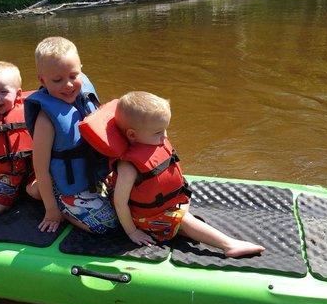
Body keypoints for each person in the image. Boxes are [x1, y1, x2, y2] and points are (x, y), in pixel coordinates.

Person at [81, 91, 265, 257]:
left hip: (161, 207)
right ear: (132, 135)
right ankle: (229, 245)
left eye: (165, 129)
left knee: (185, 220)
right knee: (183, 219)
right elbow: (120, 203)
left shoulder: (151, 141)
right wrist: (131, 232)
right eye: (158, 132)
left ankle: (189, 229)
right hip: (143, 219)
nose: (165, 137)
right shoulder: (129, 166)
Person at [24, 36, 118, 234]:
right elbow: (41, 169)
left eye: (73, 76)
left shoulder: (84, 97)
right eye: (57, 80)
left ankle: (35, 190)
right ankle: (59, 203)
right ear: (42, 80)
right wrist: (51, 211)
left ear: (81, 69)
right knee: (107, 225)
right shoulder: (46, 120)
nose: (68, 85)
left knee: (131, 201)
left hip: (90, 175)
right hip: (68, 186)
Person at [0, 61, 40, 214]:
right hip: (7, 177)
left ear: (18, 94)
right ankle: (16, 192)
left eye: (3, 92)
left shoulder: (30, 114)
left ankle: (25, 191)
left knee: (37, 193)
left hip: (34, 173)